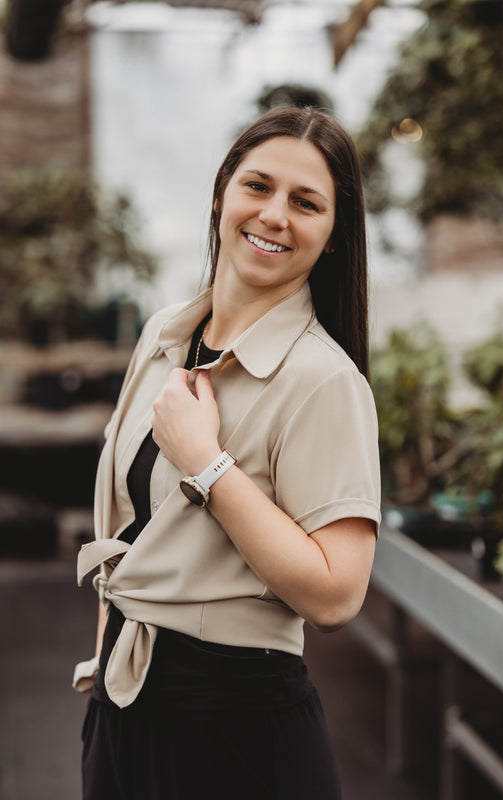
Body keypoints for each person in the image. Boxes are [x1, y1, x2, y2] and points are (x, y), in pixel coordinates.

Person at [74, 104, 381, 800]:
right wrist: (103, 666)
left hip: (235, 731)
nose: (274, 215)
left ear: (331, 237)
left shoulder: (322, 380)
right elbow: (126, 531)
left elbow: (336, 594)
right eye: (257, 186)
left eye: (306, 203)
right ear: (221, 195)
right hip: (124, 707)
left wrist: (208, 465)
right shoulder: (162, 336)